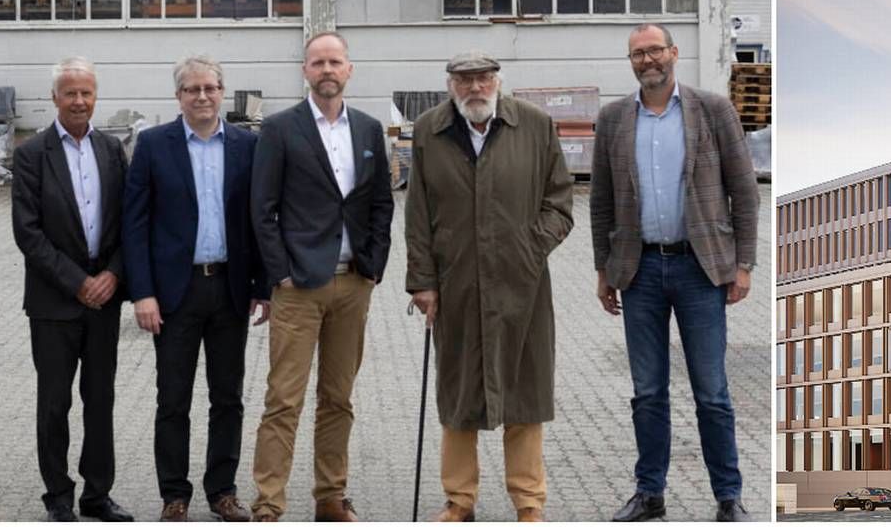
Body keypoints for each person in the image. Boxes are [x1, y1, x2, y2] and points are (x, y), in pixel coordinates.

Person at [594, 24, 759, 523]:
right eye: (638, 54)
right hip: (639, 270)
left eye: (655, 50)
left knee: (712, 392)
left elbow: (744, 190)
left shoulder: (712, 110)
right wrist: (604, 269)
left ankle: (728, 497)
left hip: (700, 268)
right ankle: (650, 494)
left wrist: (744, 264)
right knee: (648, 392)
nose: (648, 60)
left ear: (674, 53)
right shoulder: (614, 118)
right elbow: (601, 201)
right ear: (631, 62)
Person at [405, 52, 573, 523]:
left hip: (523, 285)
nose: (475, 88)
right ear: (450, 85)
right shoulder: (429, 131)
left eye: (483, 79)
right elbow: (417, 212)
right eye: (464, 81)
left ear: (498, 81)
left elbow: (559, 202)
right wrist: (422, 280)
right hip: (455, 284)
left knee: (525, 392)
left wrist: (529, 247)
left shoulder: (535, 126)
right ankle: (459, 500)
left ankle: (529, 503)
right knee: (459, 394)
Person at [250, 31, 394, 523]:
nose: (327, 70)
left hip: (353, 284)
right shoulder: (280, 129)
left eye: (335, 62)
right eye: (318, 63)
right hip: (299, 288)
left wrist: (373, 267)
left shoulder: (370, 129)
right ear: (305, 71)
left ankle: (330, 498)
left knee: (338, 398)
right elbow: (262, 208)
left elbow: (381, 203)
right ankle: (269, 504)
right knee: (283, 400)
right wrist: (281, 275)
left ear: (349, 69)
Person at [124, 56, 269, 523]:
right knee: (173, 399)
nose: (202, 96)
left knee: (227, 397)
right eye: (192, 89)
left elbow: (260, 219)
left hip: (229, 289)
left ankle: (222, 491)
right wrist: (142, 292)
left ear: (222, 92)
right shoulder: (152, 146)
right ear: (178, 96)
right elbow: (135, 224)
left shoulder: (248, 146)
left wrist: (262, 287)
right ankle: (174, 495)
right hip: (174, 292)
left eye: (209, 88)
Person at [11, 58, 133, 522]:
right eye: (70, 93)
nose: (79, 101)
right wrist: (76, 281)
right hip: (53, 303)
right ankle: (59, 496)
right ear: (55, 98)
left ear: (95, 96)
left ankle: (98, 495)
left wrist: (114, 276)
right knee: (55, 403)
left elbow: (128, 223)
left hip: (104, 299)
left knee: (100, 401)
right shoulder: (31, 154)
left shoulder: (110, 149)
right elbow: (28, 232)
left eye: (86, 93)